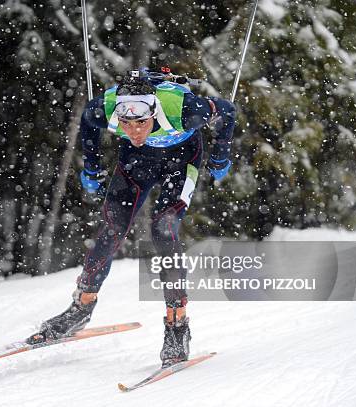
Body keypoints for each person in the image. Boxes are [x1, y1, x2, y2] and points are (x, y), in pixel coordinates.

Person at [27, 69, 236, 368]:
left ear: (153, 110)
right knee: (112, 228)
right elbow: (88, 118)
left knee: (163, 231)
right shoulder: (107, 108)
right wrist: (91, 167)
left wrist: (220, 156)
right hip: (136, 162)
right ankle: (81, 308)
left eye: (141, 123)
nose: (135, 131)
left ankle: (177, 325)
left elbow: (227, 110)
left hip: (182, 159)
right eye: (126, 124)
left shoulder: (185, 110)